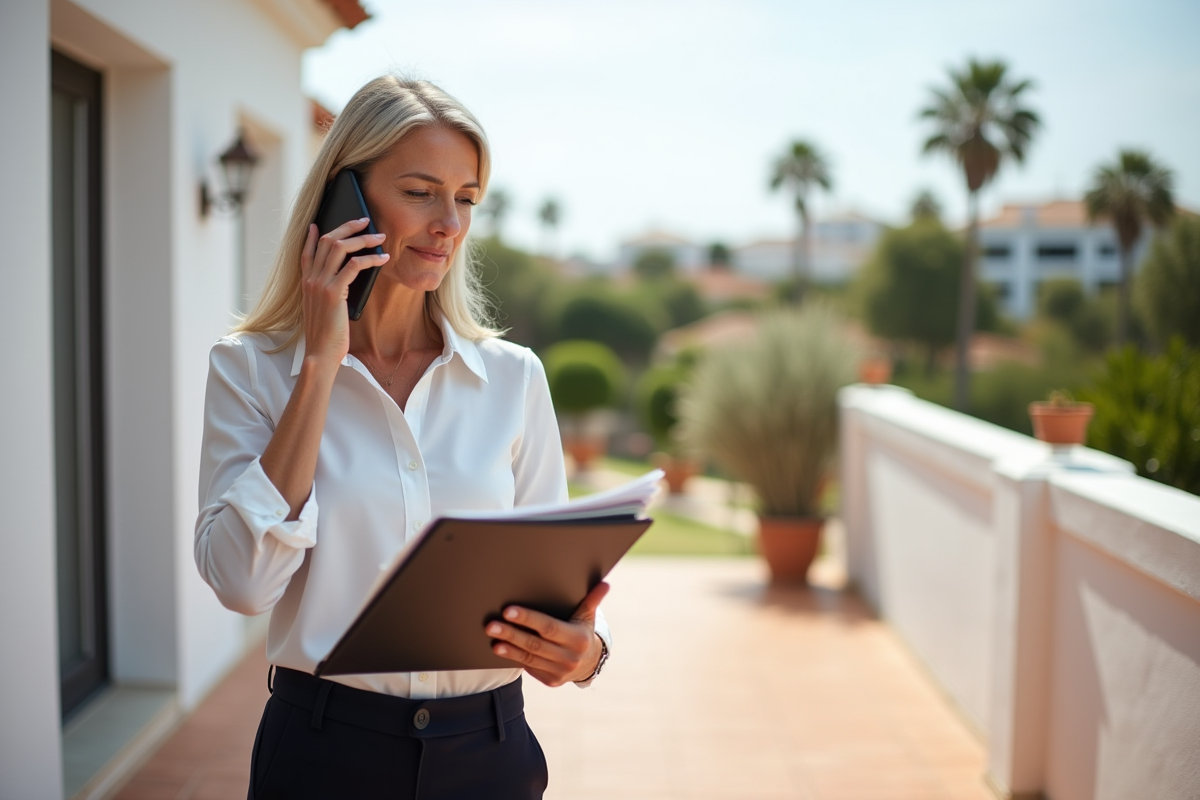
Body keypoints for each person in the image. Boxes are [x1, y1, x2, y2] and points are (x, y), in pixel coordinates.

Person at [194, 76, 610, 800]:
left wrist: (584, 654)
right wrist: (320, 366)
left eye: (467, 198)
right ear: (343, 200)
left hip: (489, 751)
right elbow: (242, 584)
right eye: (420, 192)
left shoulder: (512, 378)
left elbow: (554, 593)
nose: (449, 223)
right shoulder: (251, 369)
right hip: (322, 754)